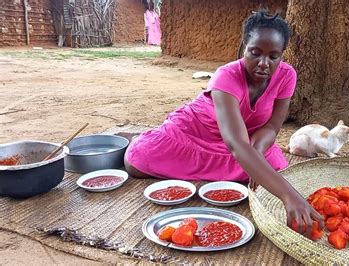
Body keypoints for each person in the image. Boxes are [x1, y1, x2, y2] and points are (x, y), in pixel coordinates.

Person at [124, 10, 322, 237]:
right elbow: (236, 145)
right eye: (255, 53)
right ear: (244, 46)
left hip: (244, 139)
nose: (264, 63)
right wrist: (289, 196)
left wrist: (257, 152)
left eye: (273, 56)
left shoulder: (287, 75)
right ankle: (140, 137)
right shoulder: (226, 76)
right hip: (197, 130)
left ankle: (247, 162)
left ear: (282, 55)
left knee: (276, 167)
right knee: (136, 162)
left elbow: (272, 127)